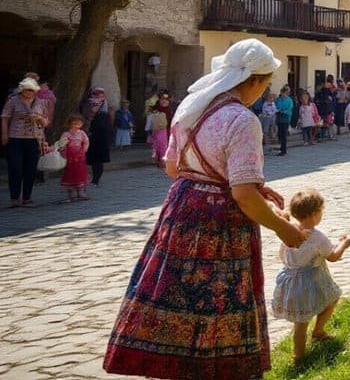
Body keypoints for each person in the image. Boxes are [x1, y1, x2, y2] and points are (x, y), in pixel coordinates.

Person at [104, 38, 306, 379]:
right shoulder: (242, 120)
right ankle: (217, 366)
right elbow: (242, 196)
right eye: (265, 83)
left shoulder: (191, 108)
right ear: (255, 81)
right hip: (219, 220)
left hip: (182, 208)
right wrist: (284, 229)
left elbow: (173, 167)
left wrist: (241, 182)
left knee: (177, 290)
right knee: (219, 295)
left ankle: (175, 362)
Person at [272, 189, 350, 364]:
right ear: (315, 214)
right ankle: (300, 355)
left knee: (303, 319)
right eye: (321, 212)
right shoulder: (318, 237)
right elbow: (333, 257)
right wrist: (344, 244)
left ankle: (311, 340)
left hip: (289, 280)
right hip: (310, 282)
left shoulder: (289, 229)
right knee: (323, 305)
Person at [2, 78, 47, 208]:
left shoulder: (40, 102)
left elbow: (45, 122)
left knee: (31, 169)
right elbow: (5, 117)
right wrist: (4, 134)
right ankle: (14, 198)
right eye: (27, 89)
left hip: (34, 138)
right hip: (15, 138)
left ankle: (27, 198)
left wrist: (39, 118)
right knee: (15, 168)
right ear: (22, 89)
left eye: (32, 90)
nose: (30, 92)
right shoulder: (12, 101)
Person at [59, 113, 90, 202]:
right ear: (69, 123)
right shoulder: (66, 134)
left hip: (80, 157)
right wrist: (63, 153)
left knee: (80, 173)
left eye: (79, 123)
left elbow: (86, 142)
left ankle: (81, 192)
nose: (77, 125)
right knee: (70, 174)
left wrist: (84, 150)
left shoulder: (82, 133)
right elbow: (61, 144)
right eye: (74, 123)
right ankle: (71, 193)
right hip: (70, 158)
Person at [85, 88, 113, 185]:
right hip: (92, 132)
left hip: (101, 132)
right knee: (91, 156)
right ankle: (90, 177)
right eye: (96, 94)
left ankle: (95, 179)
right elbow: (88, 115)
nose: (98, 97)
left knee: (98, 157)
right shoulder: (88, 103)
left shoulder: (104, 106)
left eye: (101, 95)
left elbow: (108, 119)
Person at [275, 86, 294, 156]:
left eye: (286, 93)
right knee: (279, 133)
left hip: (286, 117)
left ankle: (283, 150)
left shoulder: (289, 100)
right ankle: (281, 147)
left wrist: (284, 111)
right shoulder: (278, 99)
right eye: (284, 93)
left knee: (284, 134)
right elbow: (276, 106)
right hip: (279, 117)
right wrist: (278, 110)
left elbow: (290, 108)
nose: (285, 94)